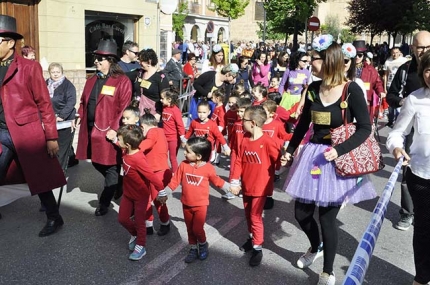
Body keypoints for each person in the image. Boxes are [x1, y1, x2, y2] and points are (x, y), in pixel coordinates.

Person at [281, 41, 376, 285]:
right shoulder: (312, 88)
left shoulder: (351, 89)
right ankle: (315, 247)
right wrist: (290, 150)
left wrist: (339, 150)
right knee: (301, 214)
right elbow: (303, 124)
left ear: (328, 61)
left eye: (314, 57)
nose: (310, 61)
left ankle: (327, 271)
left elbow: (365, 128)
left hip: (337, 161)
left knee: (326, 218)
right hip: (312, 157)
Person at [0, 15, 66, 236]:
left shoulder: (29, 67)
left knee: (39, 179)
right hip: (1, 132)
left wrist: (51, 137)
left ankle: (54, 217)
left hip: (26, 133)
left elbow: (44, 103)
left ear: (10, 43)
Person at [386, 49, 430, 285]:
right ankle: (422, 278)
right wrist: (395, 148)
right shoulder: (415, 99)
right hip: (422, 178)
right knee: (423, 232)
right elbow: (397, 133)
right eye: (427, 70)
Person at [76, 39, 132, 216]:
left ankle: (104, 202)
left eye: (100, 59)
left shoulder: (121, 81)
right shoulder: (91, 80)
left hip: (108, 131)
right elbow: (84, 101)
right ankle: (118, 182)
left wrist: (115, 129)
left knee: (110, 167)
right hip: (90, 130)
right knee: (95, 161)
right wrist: (79, 114)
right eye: (96, 58)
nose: (96, 62)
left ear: (110, 61)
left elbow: (124, 107)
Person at [157, 137, 230, 263]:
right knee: (189, 228)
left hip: (201, 205)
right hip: (186, 203)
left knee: (197, 228)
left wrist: (230, 188)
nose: (184, 153)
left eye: (188, 151)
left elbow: (217, 181)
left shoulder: (208, 168)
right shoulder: (184, 165)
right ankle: (192, 248)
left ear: (199, 156)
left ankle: (202, 244)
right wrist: (164, 193)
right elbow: (174, 182)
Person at [229, 105, 280, 267]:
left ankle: (258, 248)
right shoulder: (244, 139)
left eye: (243, 119)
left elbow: (277, 162)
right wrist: (235, 180)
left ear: (252, 122)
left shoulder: (267, 141)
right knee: (248, 214)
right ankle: (252, 239)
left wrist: (284, 159)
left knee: (255, 217)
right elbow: (238, 161)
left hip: (260, 188)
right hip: (246, 186)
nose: (241, 122)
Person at [116, 125, 163, 261]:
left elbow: (151, 176)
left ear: (128, 144)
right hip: (128, 193)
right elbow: (119, 144)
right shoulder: (125, 151)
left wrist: (161, 190)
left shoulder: (138, 158)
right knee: (122, 219)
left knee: (139, 221)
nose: (118, 141)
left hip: (140, 196)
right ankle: (136, 234)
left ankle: (141, 246)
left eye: (119, 139)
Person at [139, 110, 173, 236]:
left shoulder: (153, 132)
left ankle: (162, 223)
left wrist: (136, 149)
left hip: (156, 172)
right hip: (156, 171)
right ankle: (153, 224)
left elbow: (149, 142)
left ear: (143, 126)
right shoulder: (160, 131)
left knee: (155, 200)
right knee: (150, 199)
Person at [46, 62, 78, 171]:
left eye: (58, 72)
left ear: (62, 72)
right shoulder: (46, 84)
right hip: (50, 118)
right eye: (53, 72)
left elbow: (71, 101)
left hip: (64, 119)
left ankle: (59, 169)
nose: (55, 74)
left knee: (62, 144)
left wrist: (61, 116)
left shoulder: (67, 85)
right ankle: (72, 159)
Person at [352, 40, 385, 119]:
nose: (357, 57)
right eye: (355, 55)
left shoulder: (370, 69)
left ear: (363, 56)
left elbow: (378, 82)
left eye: (359, 55)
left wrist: (380, 91)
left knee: (364, 123)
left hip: (365, 100)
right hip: (349, 99)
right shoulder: (346, 67)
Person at [137, 49, 169, 118]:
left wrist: (159, 113)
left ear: (149, 62)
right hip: (139, 112)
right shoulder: (140, 73)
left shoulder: (160, 77)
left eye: (141, 61)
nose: (139, 62)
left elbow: (166, 97)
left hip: (153, 114)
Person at [160, 87, 186, 173]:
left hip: (173, 139)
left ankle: (175, 174)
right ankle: (165, 171)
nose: (161, 100)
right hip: (164, 137)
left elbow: (180, 125)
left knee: (172, 157)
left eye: (162, 98)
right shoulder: (164, 108)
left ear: (169, 99)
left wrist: (183, 138)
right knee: (162, 155)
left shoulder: (176, 110)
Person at [383, 47, 408, 127]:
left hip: (400, 86)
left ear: (399, 52)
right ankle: (390, 120)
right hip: (389, 85)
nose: (395, 54)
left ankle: (398, 122)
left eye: (396, 52)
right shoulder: (387, 62)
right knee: (390, 106)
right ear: (391, 53)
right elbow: (385, 75)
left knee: (399, 106)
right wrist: (384, 87)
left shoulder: (404, 61)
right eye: (393, 52)